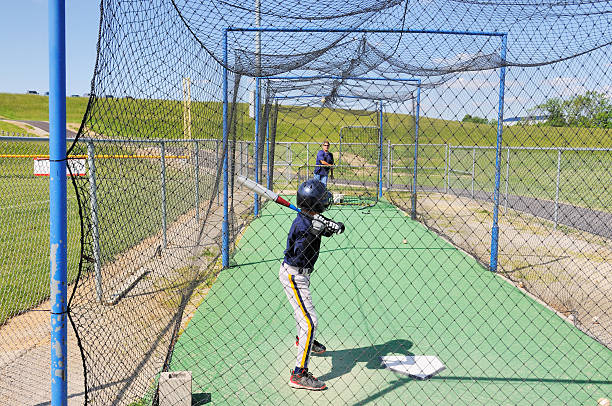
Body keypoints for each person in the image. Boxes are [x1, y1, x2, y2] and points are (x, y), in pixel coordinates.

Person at [279, 179, 345, 390]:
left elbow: (322, 224)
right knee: (310, 322)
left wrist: (333, 226)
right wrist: (314, 232)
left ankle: (305, 341)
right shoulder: (301, 224)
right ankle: (299, 374)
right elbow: (298, 254)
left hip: (302, 276)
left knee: (305, 317)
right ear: (314, 203)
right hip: (294, 275)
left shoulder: (312, 217)